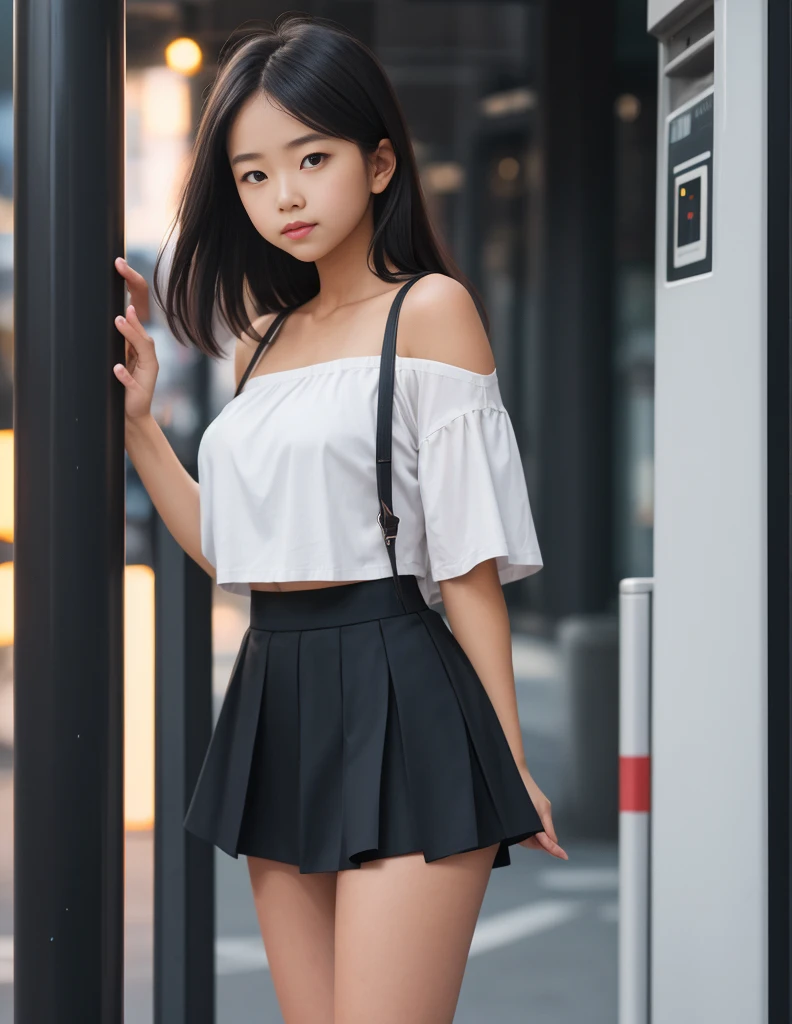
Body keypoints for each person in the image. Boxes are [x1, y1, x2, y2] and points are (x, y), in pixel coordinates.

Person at [113, 12, 568, 1024]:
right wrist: (143, 429)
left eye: (310, 159)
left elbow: (467, 570)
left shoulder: (431, 310)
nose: (285, 195)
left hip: (402, 689)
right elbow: (233, 546)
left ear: (378, 164)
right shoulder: (259, 345)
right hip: (276, 694)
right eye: (254, 174)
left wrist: (513, 759)